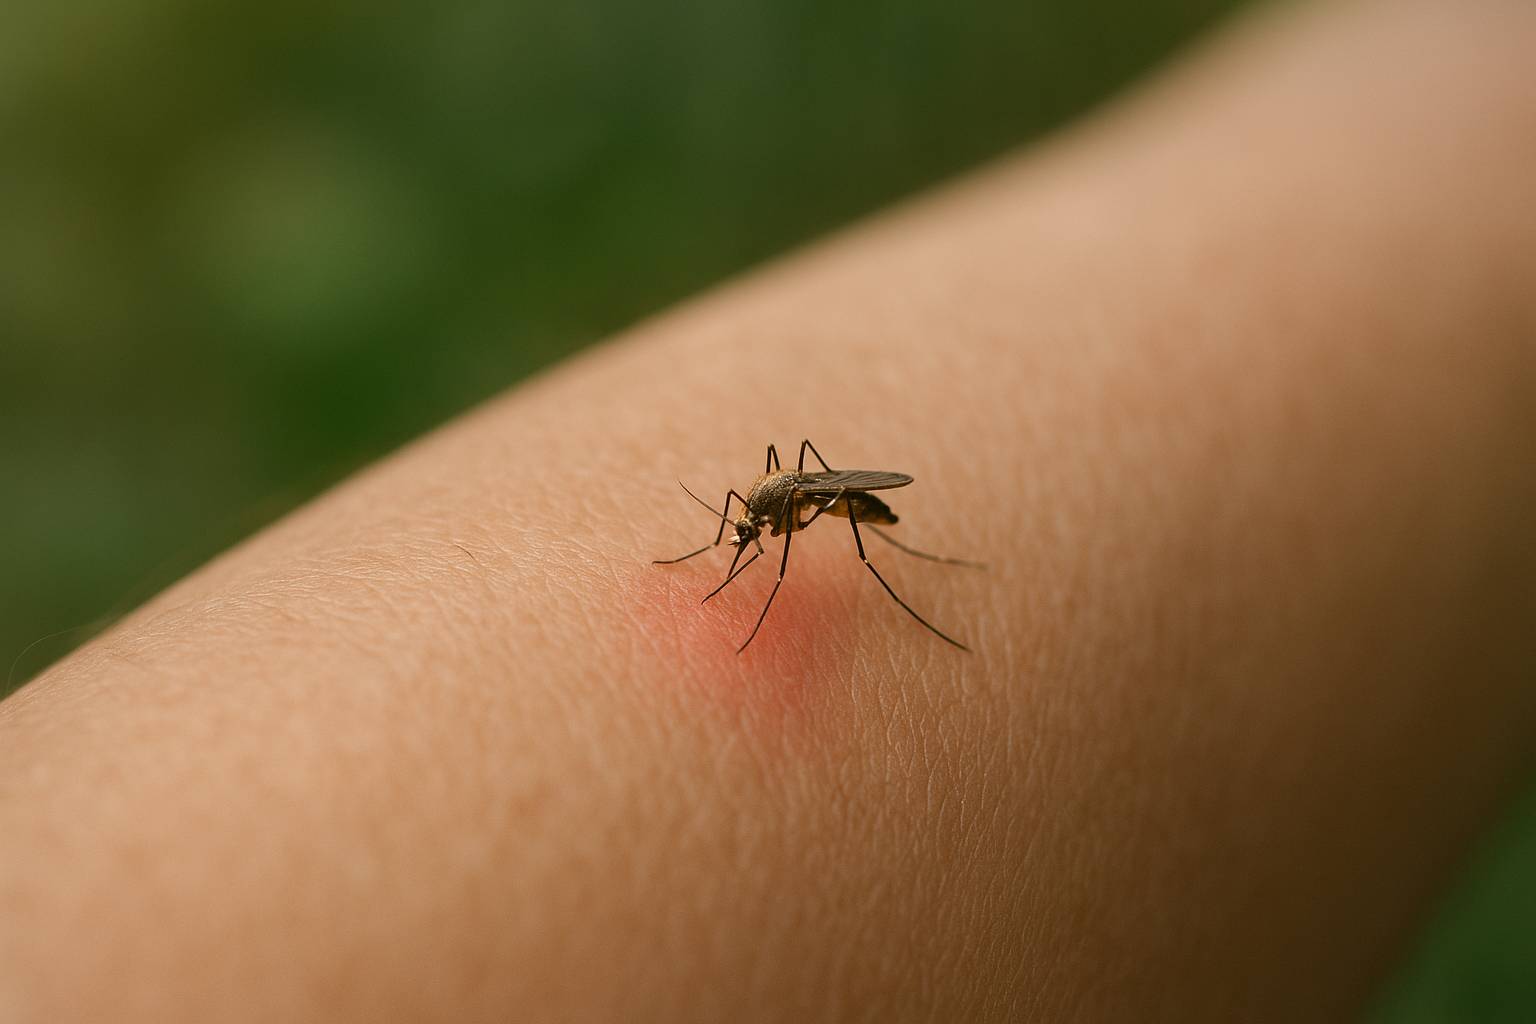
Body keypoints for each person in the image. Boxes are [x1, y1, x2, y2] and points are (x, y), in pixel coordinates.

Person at [3, 0, 1534, 1018]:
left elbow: (807, 507)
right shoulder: (761, 508)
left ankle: (924, 579)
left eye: (748, 535)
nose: (747, 542)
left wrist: (802, 551)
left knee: (867, 554)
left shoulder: (813, 510)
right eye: (747, 536)